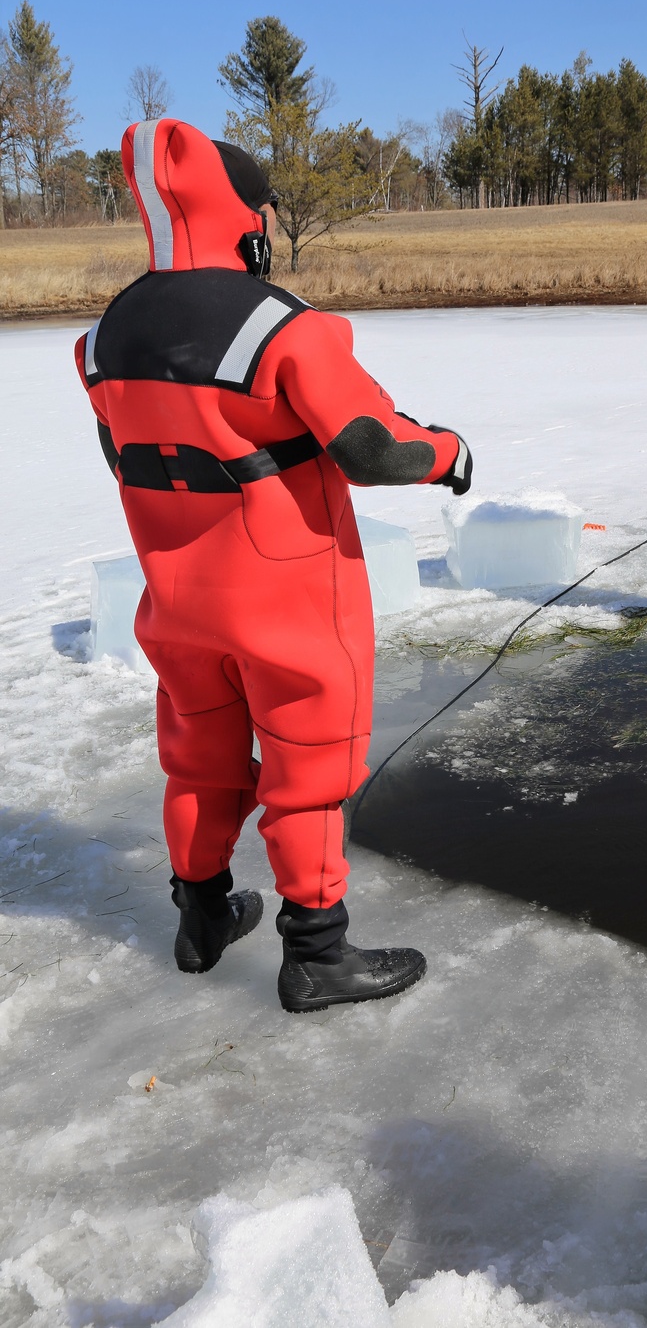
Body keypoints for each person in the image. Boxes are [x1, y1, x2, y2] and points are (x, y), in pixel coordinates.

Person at [75, 118, 472, 1014]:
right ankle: (319, 955)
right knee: (309, 773)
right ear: (245, 217)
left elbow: (123, 450)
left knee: (201, 763)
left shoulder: (105, 334)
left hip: (175, 599)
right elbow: (370, 445)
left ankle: (203, 918)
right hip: (288, 596)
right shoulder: (281, 326)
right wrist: (449, 452)